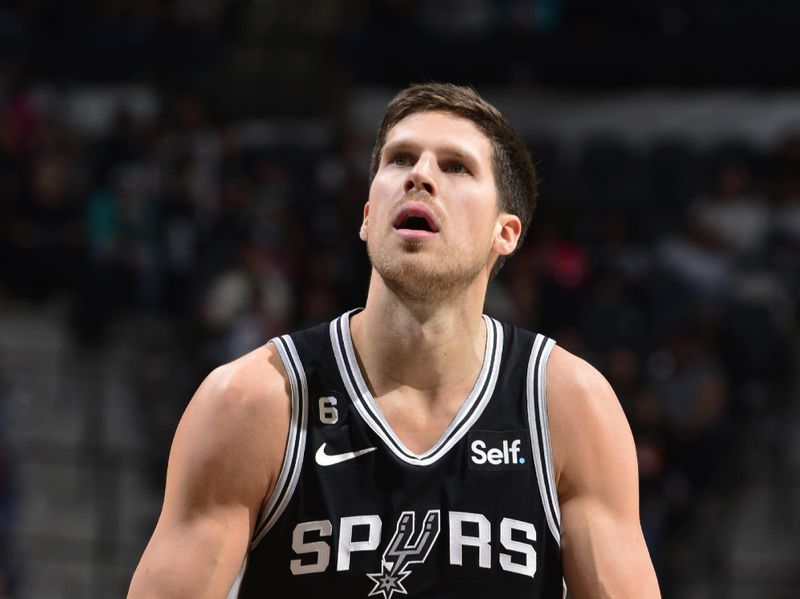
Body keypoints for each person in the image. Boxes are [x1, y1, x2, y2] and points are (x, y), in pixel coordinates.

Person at [127, 83, 661, 598]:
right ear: (367, 217)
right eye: (400, 160)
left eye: (455, 166)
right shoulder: (252, 402)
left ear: (507, 233)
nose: (420, 176)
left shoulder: (568, 406)